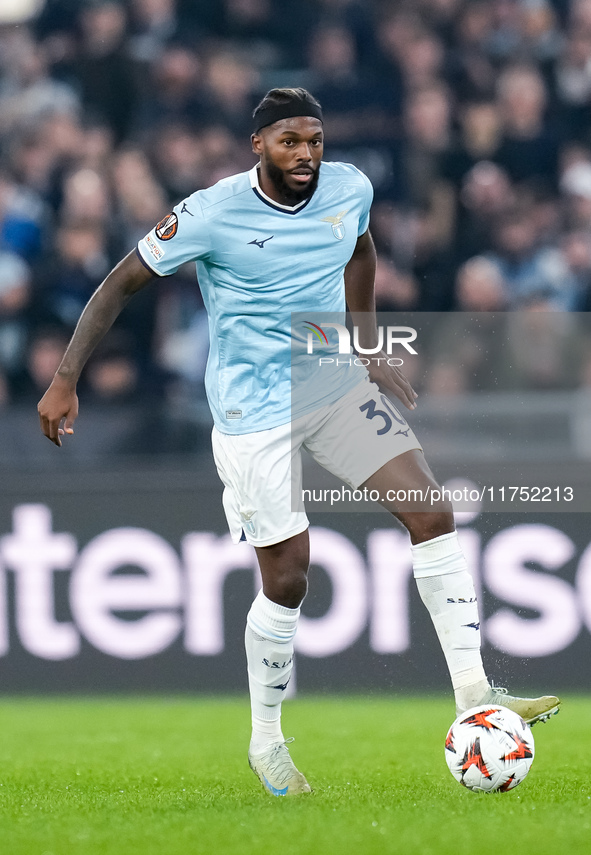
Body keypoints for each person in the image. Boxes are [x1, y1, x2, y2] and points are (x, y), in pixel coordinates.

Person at [38, 87, 560, 797]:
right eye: (290, 141)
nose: (306, 153)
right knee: (288, 578)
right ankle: (266, 740)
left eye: (314, 139)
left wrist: (367, 341)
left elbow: (361, 245)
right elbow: (118, 284)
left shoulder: (349, 188)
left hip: (334, 388)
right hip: (254, 414)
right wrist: (66, 378)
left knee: (431, 512)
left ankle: (474, 692)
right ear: (258, 146)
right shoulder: (211, 212)